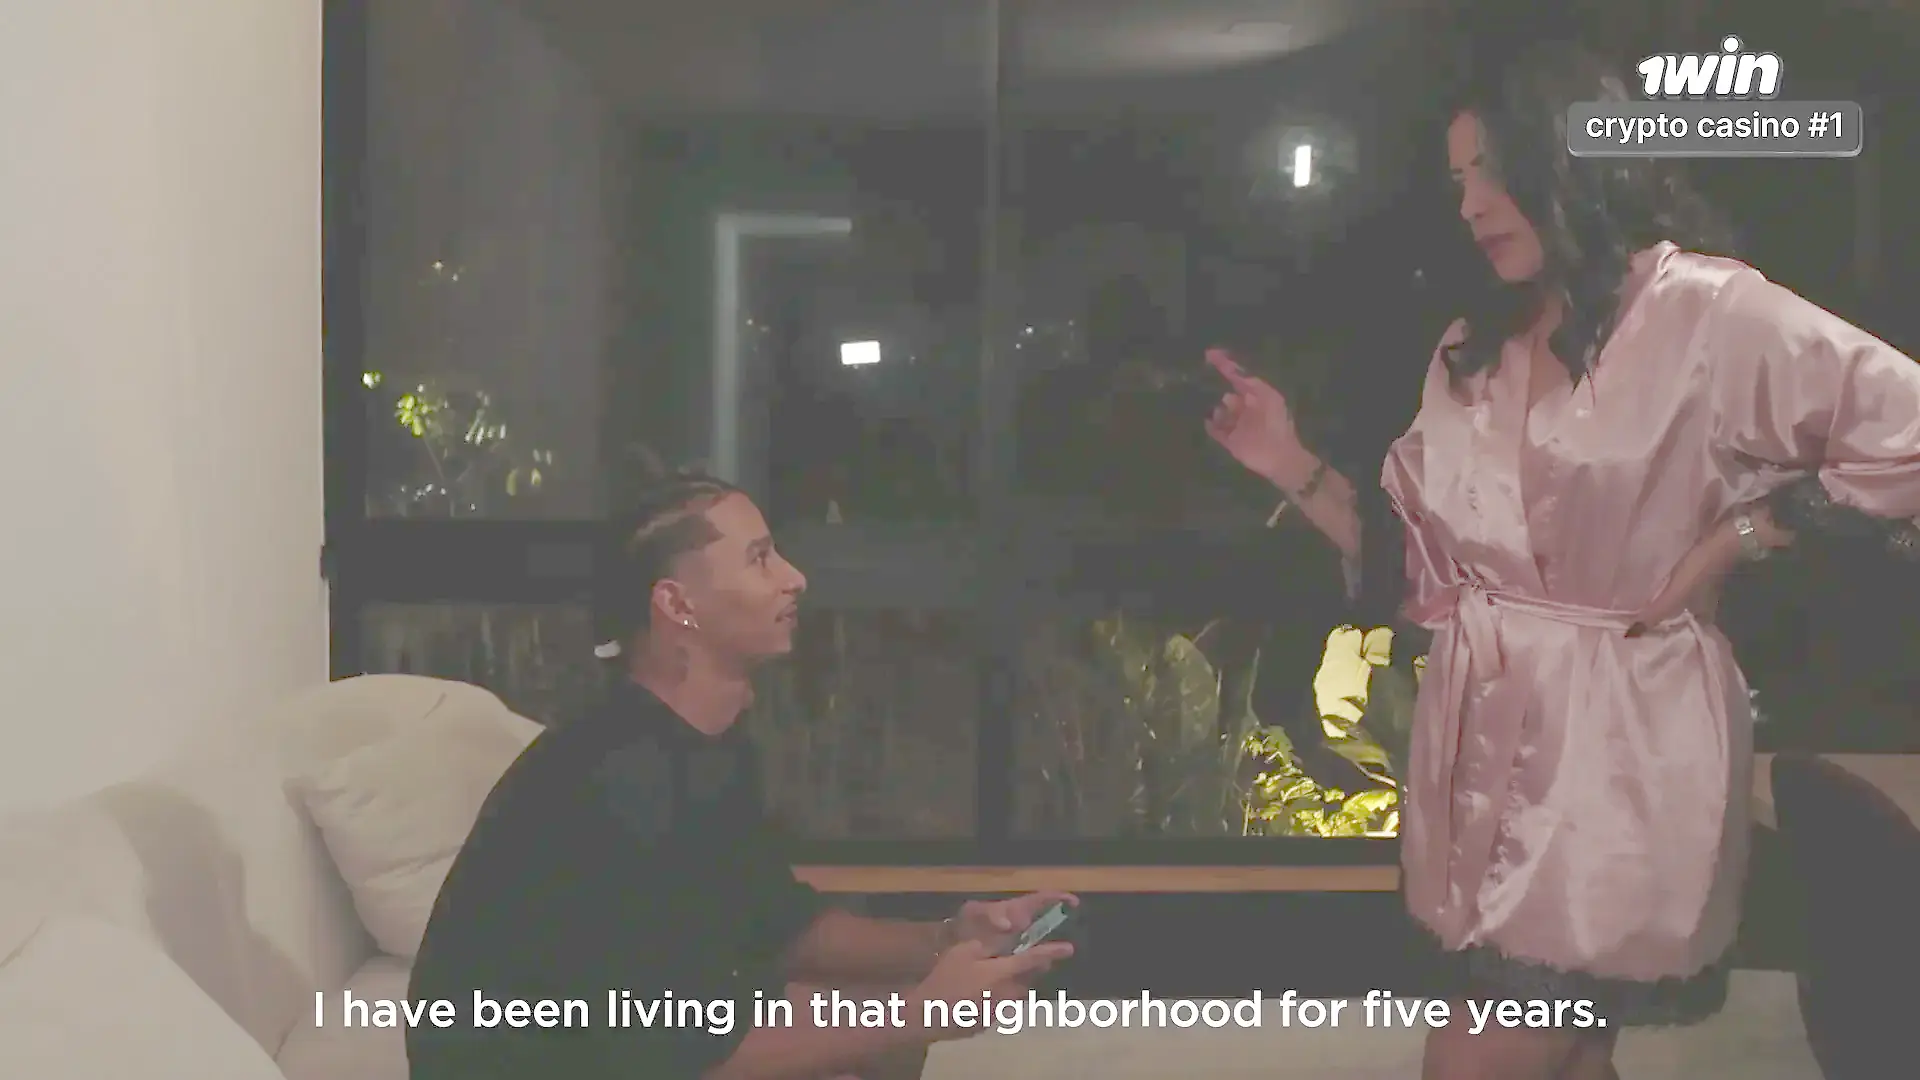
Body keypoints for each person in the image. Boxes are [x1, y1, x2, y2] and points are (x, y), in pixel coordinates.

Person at [1203, 42, 1920, 1080]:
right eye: (1457, 180)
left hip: (1625, 753)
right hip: (1483, 767)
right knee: (1567, 1059)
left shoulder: (1705, 314)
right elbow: (1428, 574)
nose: (1470, 204)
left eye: (1491, 170)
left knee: (1476, 1060)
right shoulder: (1474, 347)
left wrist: (1748, 534)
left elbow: (1905, 429)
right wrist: (1288, 463)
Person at [406, 465, 1076, 1080]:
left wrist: (947, 937)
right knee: (882, 1029)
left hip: (631, 1043)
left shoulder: (708, 748)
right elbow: (682, 1059)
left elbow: (779, 926)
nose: (795, 578)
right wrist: (920, 1013)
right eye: (760, 559)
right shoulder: (618, 780)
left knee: (874, 1022)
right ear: (678, 605)